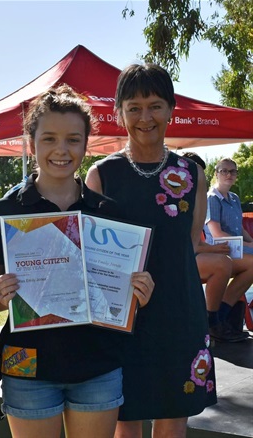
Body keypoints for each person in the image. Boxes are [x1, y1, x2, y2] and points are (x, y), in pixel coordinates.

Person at [0, 84, 155, 438]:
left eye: (73, 139)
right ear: (31, 143)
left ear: (86, 144)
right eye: (49, 139)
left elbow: (122, 301)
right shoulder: (3, 213)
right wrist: (2, 294)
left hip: (97, 366)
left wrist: (139, 294)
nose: (61, 150)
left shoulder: (109, 214)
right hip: (27, 367)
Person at [86, 64, 216, 437]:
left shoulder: (192, 174)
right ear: (118, 113)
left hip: (181, 312)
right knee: (126, 422)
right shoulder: (102, 175)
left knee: (175, 419)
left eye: (156, 105)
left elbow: (191, 241)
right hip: (124, 320)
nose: (146, 117)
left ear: (172, 109)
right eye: (134, 107)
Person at [183, 152, 248, 342]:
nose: (196, 179)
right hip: (175, 260)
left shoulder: (198, 200)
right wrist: (212, 249)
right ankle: (213, 321)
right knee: (223, 263)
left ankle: (218, 318)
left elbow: (194, 241)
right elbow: (189, 243)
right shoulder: (197, 200)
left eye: (198, 174)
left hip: (194, 253)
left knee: (228, 262)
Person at [203, 157, 253, 338]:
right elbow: (216, 234)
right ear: (216, 174)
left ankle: (220, 317)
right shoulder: (211, 198)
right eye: (224, 170)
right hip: (219, 250)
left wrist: (251, 242)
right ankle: (218, 318)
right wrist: (248, 245)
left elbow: (239, 228)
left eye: (233, 171)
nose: (229, 174)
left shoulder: (234, 198)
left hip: (237, 248)